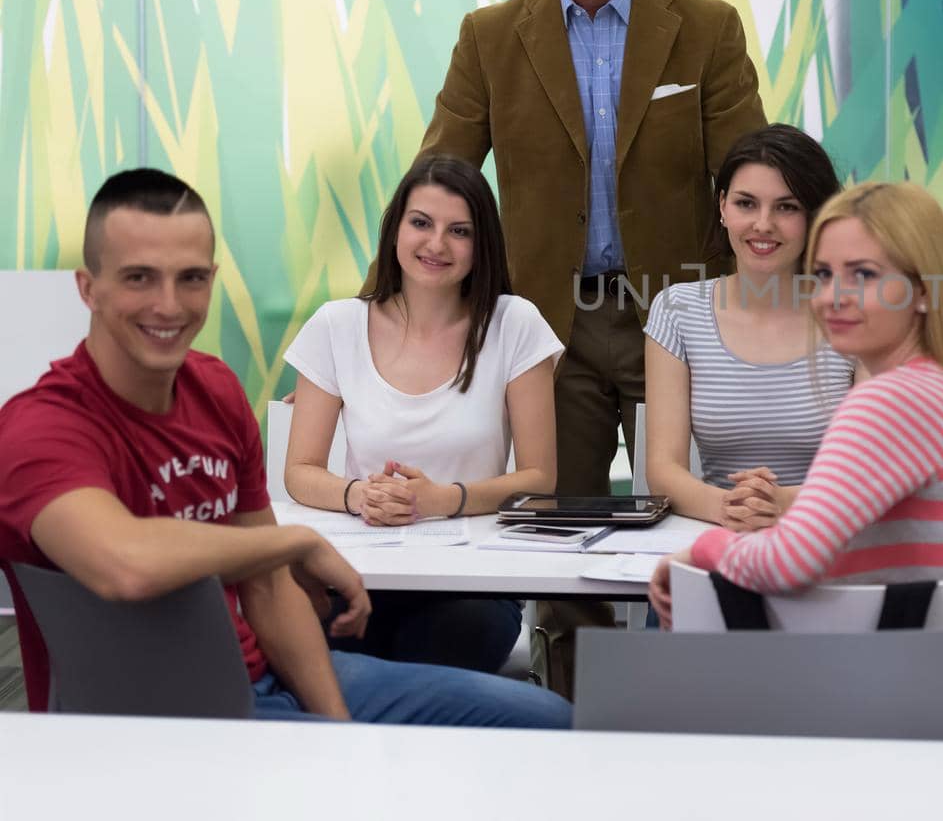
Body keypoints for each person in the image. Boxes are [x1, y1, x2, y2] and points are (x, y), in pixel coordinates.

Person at [0, 169, 571, 726]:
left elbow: (270, 586)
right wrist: (291, 541)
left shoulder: (216, 390)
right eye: (139, 278)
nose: (169, 306)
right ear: (87, 287)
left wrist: (335, 726)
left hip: (264, 676)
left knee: (551, 720)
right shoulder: (36, 429)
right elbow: (124, 563)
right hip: (160, 723)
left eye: (192, 279)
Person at [411, 0, 766, 693]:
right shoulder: (492, 37)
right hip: (545, 322)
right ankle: (570, 715)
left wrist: (740, 302)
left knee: (692, 525)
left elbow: (755, 172)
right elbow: (443, 174)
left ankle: (694, 699)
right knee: (558, 537)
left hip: (677, 316)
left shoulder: (707, 29)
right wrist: (391, 305)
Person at [648, 182, 943, 719]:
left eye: (865, 275)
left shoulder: (888, 401)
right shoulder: (942, 388)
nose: (834, 296)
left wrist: (698, 555)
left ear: (923, 290)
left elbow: (790, 564)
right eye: (825, 275)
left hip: (907, 716)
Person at [282, 155, 561, 673]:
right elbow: (299, 472)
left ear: (482, 246)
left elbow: (540, 482)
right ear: (395, 230)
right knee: (315, 634)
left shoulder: (513, 323)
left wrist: (442, 500)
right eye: (421, 223)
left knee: (446, 646)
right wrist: (358, 494)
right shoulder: (336, 325)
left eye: (459, 231)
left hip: (472, 584)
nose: (436, 245)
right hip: (357, 572)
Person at [643, 124, 852, 529]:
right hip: (717, 534)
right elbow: (663, 470)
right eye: (746, 204)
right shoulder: (677, 309)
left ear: (816, 216)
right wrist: (731, 507)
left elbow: (872, 471)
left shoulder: (853, 311)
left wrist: (781, 502)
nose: (763, 224)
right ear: (722, 207)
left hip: (830, 536)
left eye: (786, 207)